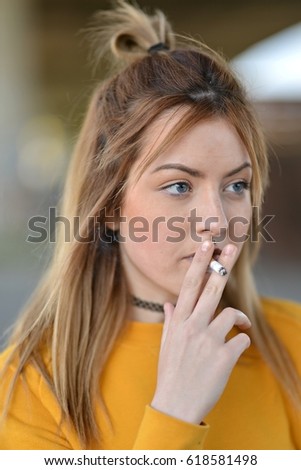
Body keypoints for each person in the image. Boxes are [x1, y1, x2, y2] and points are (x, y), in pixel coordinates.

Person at [0, 0, 300, 451]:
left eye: (236, 185)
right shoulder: (24, 387)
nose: (217, 221)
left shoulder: (292, 343)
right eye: (180, 186)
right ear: (109, 207)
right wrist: (175, 413)